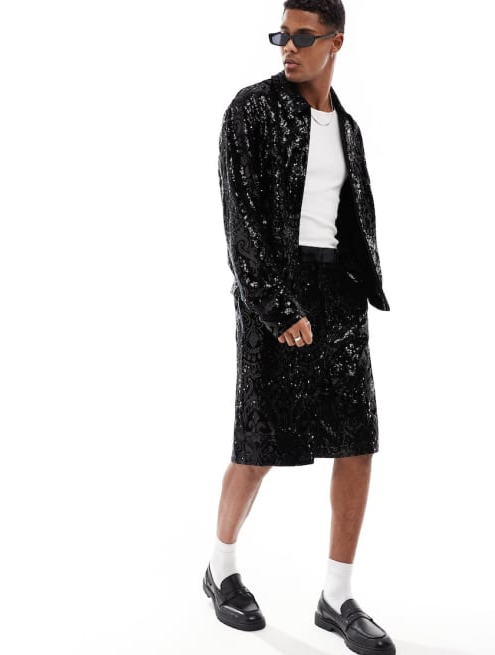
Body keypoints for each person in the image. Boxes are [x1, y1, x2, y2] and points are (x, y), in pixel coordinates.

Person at [203, 1, 396, 653]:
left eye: (303, 36)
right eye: (281, 35)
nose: (288, 46)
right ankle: (221, 569)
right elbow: (241, 220)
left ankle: (336, 596)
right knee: (258, 444)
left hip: (337, 292)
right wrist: (277, 308)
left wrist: (358, 290)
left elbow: (352, 217)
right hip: (274, 292)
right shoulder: (251, 110)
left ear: (335, 41)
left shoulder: (348, 126)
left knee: (357, 441)